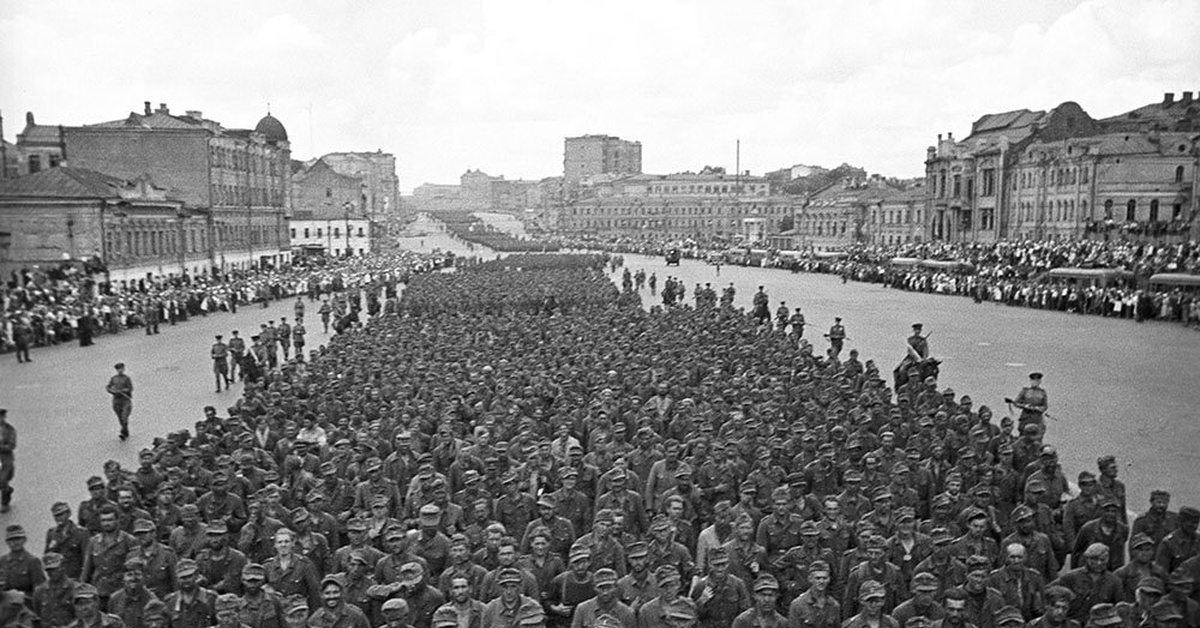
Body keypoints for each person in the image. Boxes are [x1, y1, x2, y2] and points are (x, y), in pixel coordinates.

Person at [106, 363, 133, 441]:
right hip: (116, 401)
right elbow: (108, 387)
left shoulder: (127, 378)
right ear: (117, 370)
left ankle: (122, 433)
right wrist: (112, 391)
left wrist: (122, 390)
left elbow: (130, 388)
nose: (120, 370)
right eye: (119, 369)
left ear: (124, 369)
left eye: (122, 368)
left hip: (126, 400)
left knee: (124, 417)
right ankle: (125, 430)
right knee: (120, 418)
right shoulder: (113, 378)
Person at [0, 409, 15, 512]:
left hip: (6, 459)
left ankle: (5, 502)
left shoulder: (10, 430)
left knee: (2, 480)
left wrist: (2, 447)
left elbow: (12, 445)